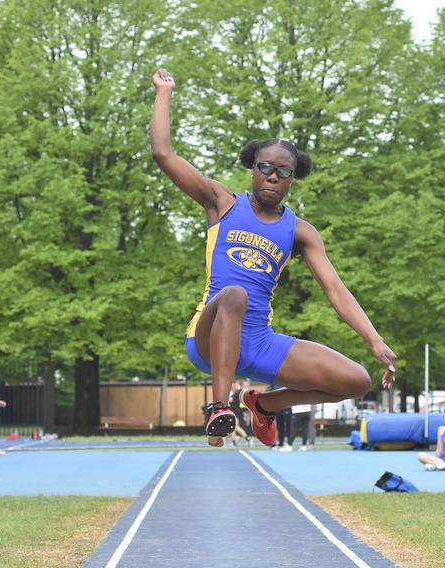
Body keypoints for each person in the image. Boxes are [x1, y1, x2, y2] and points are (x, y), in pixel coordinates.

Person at [150, 69, 396, 448]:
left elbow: (335, 289)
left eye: (284, 172)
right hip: (208, 336)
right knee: (234, 295)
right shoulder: (222, 203)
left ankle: (264, 405)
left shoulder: (301, 232)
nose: (273, 177)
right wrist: (164, 93)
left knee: (355, 380)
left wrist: (374, 339)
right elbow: (163, 154)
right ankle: (219, 409)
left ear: (292, 179)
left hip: (260, 343)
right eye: (265, 167)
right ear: (253, 168)